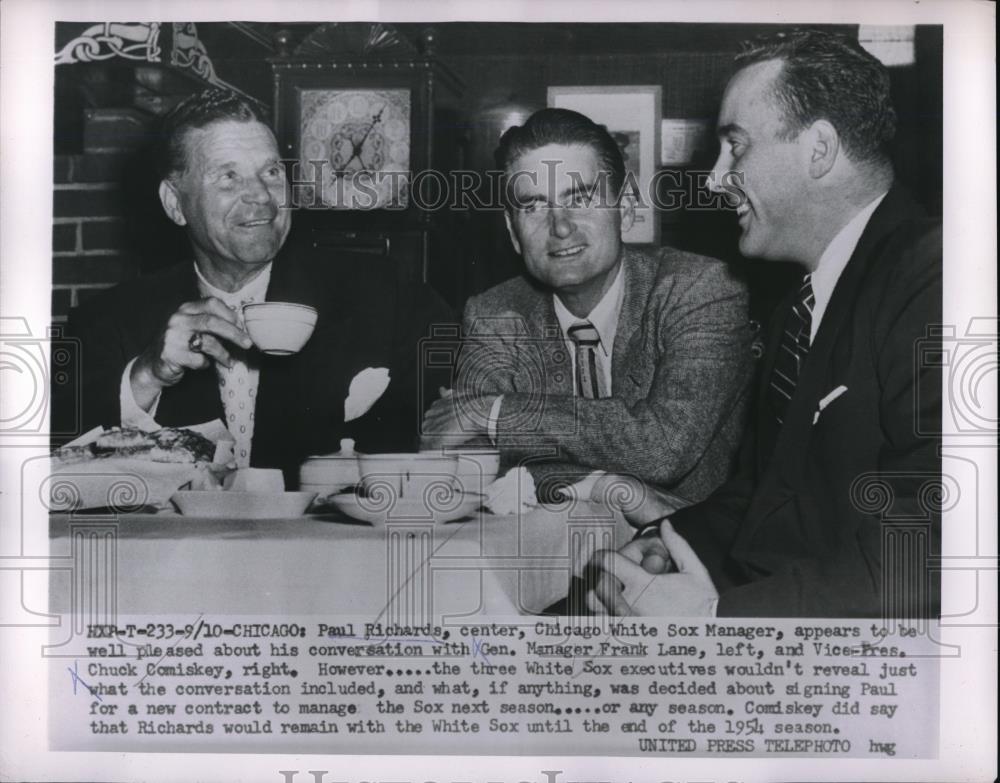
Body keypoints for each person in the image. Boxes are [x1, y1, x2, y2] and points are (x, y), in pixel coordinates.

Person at [588, 30, 942, 618]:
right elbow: (767, 492)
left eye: (736, 147)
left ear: (819, 149)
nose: (713, 178)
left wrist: (717, 622)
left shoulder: (933, 277)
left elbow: (939, 545)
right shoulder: (798, 304)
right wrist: (668, 544)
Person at [54, 88, 450, 478]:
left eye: (272, 172)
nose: (261, 195)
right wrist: (145, 377)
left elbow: (453, 421)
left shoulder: (388, 295)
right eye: (229, 177)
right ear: (175, 203)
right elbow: (51, 468)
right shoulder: (109, 322)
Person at [421, 108, 753, 505]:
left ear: (625, 207)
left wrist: (494, 413)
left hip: (695, 550)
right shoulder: (494, 314)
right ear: (513, 232)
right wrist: (602, 486)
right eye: (534, 206)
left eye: (579, 198)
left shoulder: (699, 289)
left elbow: (664, 446)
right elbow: (468, 466)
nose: (560, 226)